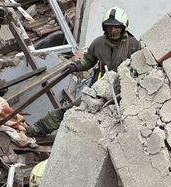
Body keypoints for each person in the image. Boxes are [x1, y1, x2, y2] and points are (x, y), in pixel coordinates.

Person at [27, 7, 139, 137]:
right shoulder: (99, 43)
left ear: (123, 27)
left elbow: (140, 71)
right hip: (99, 90)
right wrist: (76, 66)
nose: (113, 31)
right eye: (109, 27)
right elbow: (88, 61)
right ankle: (40, 128)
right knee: (73, 108)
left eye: (116, 27)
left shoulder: (133, 45)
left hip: (122, 92)